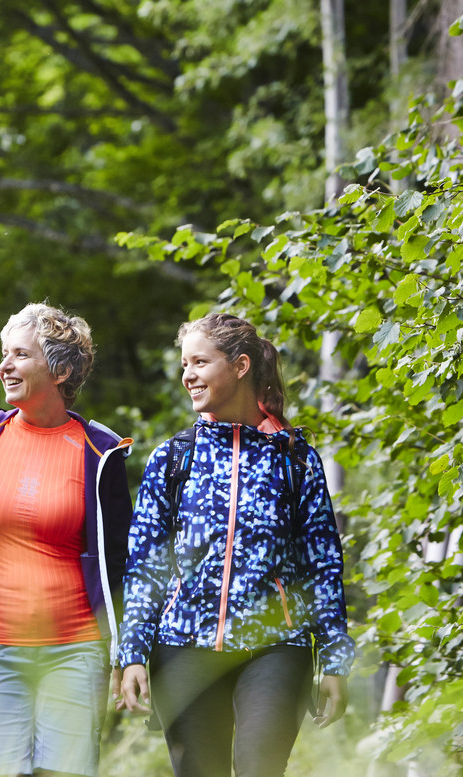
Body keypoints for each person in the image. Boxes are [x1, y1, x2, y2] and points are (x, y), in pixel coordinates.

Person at [114, 313, 355, 777]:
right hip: (183, 645)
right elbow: (145, 565)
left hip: (276, 646)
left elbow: (323, 564)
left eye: (200, 362)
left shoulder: (295, 459)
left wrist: (334, 659)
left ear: (241, 365)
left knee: (260, 767)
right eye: (185, 364)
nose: (188, 375)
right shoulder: (174, 458)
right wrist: (133, 654)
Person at [0, 303, 133, 777]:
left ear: (61, 371)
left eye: (20, 354)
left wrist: (125, 651)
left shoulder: (101, 450)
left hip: (75, 650)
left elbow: (118, 560)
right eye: (4, 354)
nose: (5, 366)